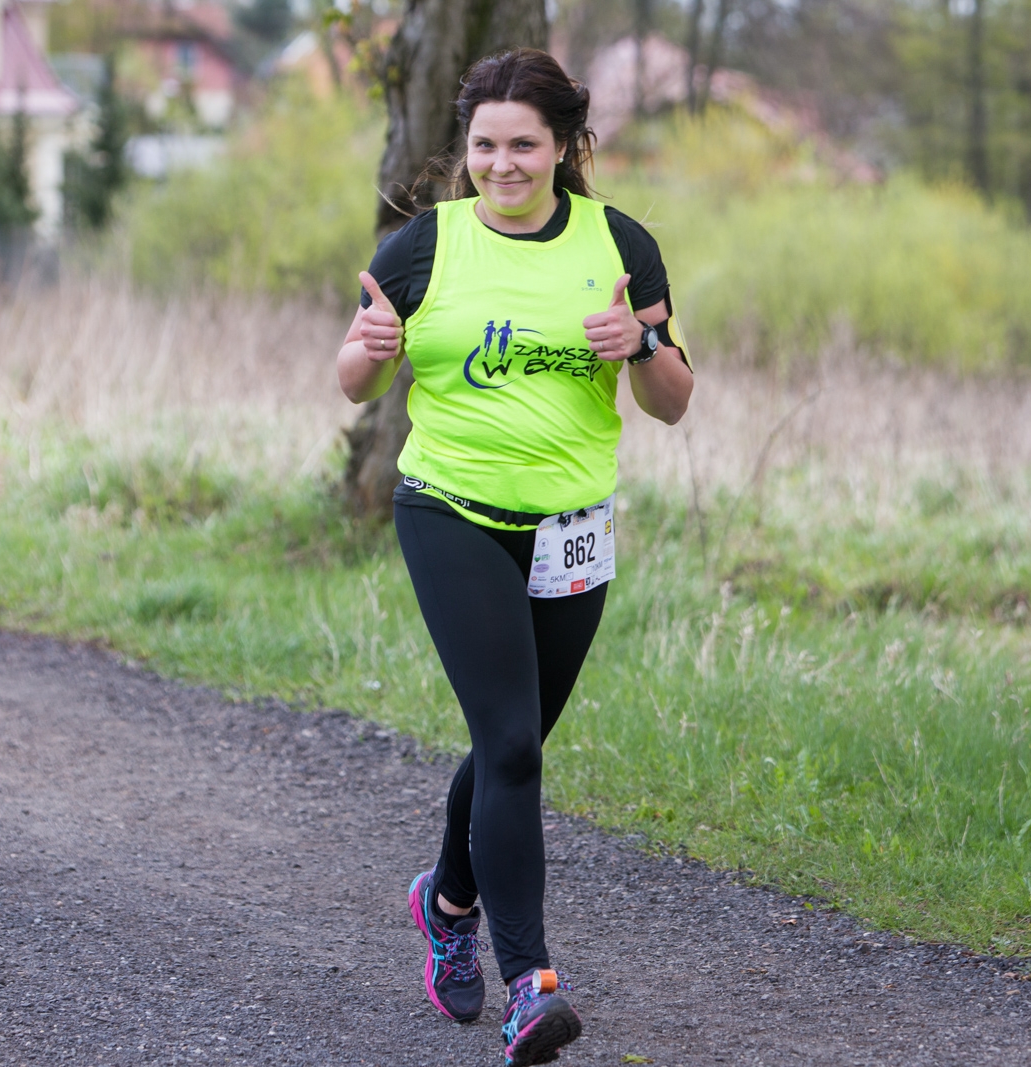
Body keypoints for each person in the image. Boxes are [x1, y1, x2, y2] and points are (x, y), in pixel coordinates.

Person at [335, 47, 694, 1067]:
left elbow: (672, 401)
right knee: (513, 744)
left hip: (571, 526)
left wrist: (639, 345)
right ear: (468, 149)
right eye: (485, 144)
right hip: (450, 509)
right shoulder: (425, 245)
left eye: (522, 144)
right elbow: (353, 381)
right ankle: (530, 983)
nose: (500, 163)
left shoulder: (617, 243)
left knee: (514, 736)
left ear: (565, 147)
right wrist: (369, 348)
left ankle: (445, 901)